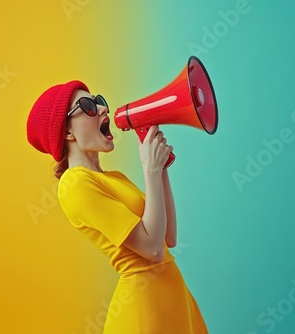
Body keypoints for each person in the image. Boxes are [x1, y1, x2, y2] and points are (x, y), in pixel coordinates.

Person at [26, 80, 207, 333]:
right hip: (145, 313)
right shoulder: (74, 183)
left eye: (99, 101)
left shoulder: (114, 178)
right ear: (67, 132)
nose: (103, 110)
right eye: (88, 106)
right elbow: (152, 250)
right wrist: (150, 170)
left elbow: (168, 238)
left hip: (173, 302)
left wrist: (161, 168)